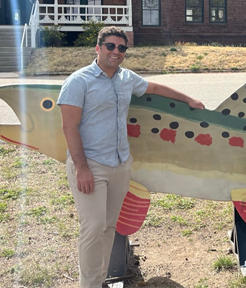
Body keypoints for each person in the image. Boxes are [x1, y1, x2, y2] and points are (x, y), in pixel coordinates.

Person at [57, 26, 204, 288]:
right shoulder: (78, 81)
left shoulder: (126, 78)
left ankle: (99, 280)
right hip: (91, 165)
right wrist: (81, 168)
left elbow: (155, 87)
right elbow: (69, 127)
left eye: (121, 48)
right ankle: (89, 285)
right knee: (92, 228)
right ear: (98, 48)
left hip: (120, 164)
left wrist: (189, 99)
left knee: (109, 227)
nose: (116, 51)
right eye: (111, 46)